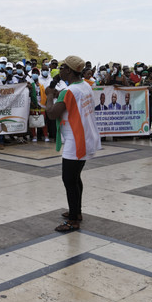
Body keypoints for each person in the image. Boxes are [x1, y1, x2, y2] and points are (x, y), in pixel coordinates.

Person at [45, 55, 101, 232]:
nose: (59, 70)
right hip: (85, 136)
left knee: (69, 179)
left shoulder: (69, 92)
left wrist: (48, 96)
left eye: (62, 67)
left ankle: (73, 221)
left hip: (75, 139)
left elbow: (52, 114)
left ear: (69, 70)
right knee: (75, 178)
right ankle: (76, 212)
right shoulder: (85, 86)